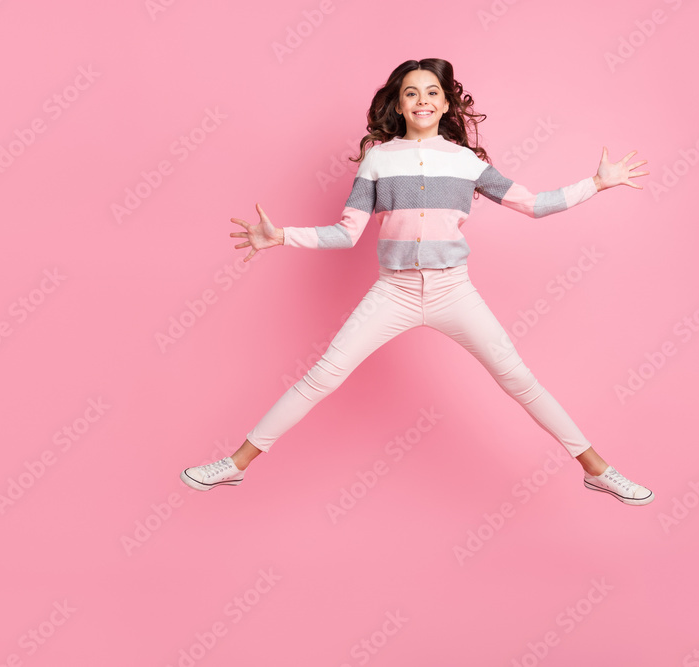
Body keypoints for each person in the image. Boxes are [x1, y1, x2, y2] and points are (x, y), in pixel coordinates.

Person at [180, 58, 654, 506]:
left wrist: (596, 183)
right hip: (394, 291)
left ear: (447, 103)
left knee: (520, 381)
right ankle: (235, 464)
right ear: (400, 103)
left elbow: (533, 204)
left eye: (432, 92)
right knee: (321, 377)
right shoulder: (378, 161)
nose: (422, 100)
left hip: (454, 290)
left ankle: (597, 470)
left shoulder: (467, 163)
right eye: (411, 93)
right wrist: (281, 236)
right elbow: (346, 234)